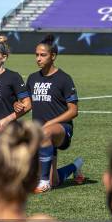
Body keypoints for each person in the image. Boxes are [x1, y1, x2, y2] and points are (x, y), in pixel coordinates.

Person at [25, 34, 84, 193]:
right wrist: (18, 105)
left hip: (62, 130)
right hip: (42, 133)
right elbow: (27, 104)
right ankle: (75, 166)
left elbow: (73, 111)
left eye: (43, 55)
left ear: (53, 56)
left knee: (45, 133)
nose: (38, 58)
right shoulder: (32, 78)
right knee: (55, 180)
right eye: (36, 55)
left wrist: (49, 124)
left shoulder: (64, 79)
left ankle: (43, 182)